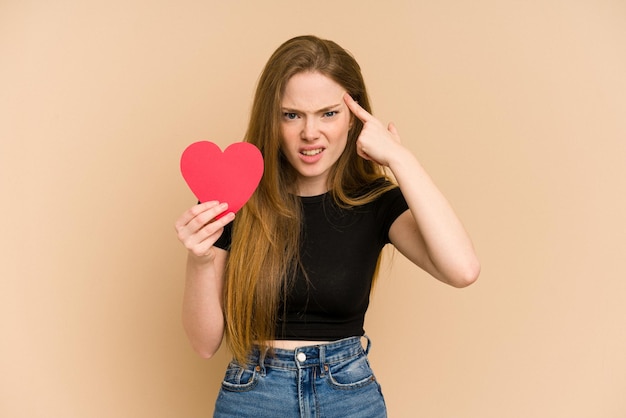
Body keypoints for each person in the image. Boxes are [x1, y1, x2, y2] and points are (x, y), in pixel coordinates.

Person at [175, 35, 480, 417]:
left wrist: (400, 160)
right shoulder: (236, 198)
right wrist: (200, 260)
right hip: (253, 397)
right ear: (272, 118)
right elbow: (204, 344)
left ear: (355, 118)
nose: (310, 133)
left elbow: (463, 270)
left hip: (347, 396)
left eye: (328, 113)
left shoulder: (376, 201)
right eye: (292, 115)